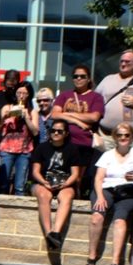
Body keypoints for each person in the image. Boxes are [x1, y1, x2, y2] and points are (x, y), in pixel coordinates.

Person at [86, 122, 133, 265]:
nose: (123, 138)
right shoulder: (107, 155)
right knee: (96, 217)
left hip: (127, 191)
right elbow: (98, 178)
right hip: (106, 189)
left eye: (126, 135)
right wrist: (100, 197)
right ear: (115, 137)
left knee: (120, 221)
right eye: (120, 135)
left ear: (132, 137)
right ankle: (91, 257)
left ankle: (115, 262)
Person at [29, 118, 81, 251]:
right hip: (43, 182)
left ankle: (56, 232)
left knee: (67, 196)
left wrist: (65, 184)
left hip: (64, 184)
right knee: (43, 195)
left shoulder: (72, 149)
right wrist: (44, 182)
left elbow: (75, 174)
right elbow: (35, 172)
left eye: (60, 131)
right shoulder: (42, 148)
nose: (56, 133)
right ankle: (49, 234)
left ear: (66, 133)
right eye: (53, 130)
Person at [52, 64, 103, 198]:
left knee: (78, 177)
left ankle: (76, 200)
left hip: (84, 143)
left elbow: (94, 117)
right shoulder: (64, 95)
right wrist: (78, 121)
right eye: (76, 76)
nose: (78, 79)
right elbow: (55, 114)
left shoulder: (96, 97)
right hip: (65, 142)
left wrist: (67, 114)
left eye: (82, 76)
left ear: (88, 79)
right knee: (63, 174)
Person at [0, 83, 38, 196]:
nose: (21, 96)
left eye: (24, 93)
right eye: (19, 93)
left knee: (20, 186)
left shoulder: (32, 111)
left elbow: (35, 132)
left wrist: (27, 118)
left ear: (29, 95)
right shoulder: (7, 108)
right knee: (3, 182)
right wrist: (4, 117)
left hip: (24, 151)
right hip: (6, 149)